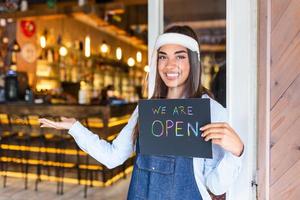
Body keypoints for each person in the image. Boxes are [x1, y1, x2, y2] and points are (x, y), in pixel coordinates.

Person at [39, 25, 244, 200]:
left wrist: (237, 153)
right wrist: (75, 127)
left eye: (179, 56)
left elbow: (215, 186)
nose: (169, 65)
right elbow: (113, 157)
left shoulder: (210, 111)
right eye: (163, 57)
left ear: (193, 61)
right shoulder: (147, 110)